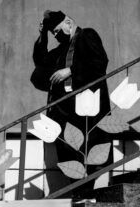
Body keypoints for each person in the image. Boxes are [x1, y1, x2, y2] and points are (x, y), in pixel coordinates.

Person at [31, 10, 112, 197]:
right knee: (69, 153)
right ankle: (80, 195)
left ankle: (84, 195)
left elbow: (99, 63)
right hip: (65, 111)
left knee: (88, 152)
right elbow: (41, 63)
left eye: (58, 31)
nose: (56, 35)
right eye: (54, 33)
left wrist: (70, 71)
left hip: (87, 108)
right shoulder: (61, 49)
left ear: (69, 22)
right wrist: (43, 35)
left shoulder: (86, 35)